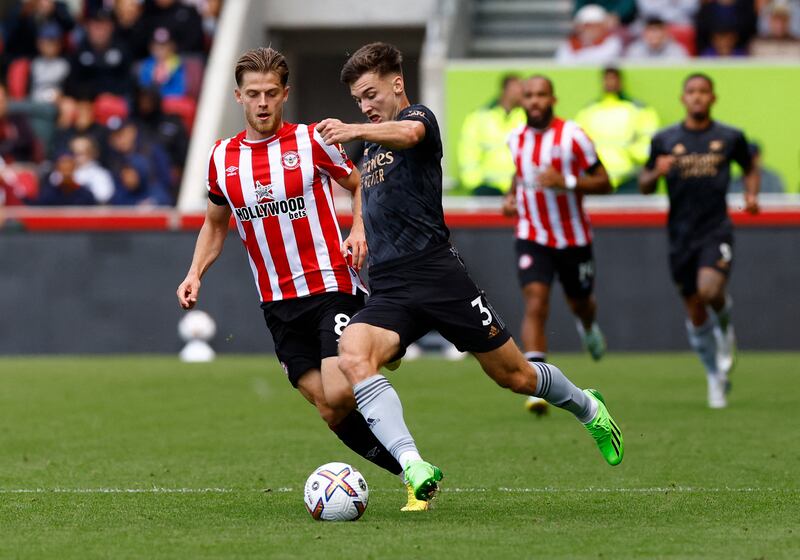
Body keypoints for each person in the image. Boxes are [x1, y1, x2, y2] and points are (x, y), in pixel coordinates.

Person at [316, 42, 625, 502]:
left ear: (396, 84)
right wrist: (359, 226)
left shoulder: (419, 121)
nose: (365, 106)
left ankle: (587, 406)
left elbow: (411, 137)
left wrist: (353, 127)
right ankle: (413, 465)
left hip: (439, 276)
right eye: (358, 100)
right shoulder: (368, 144)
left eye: (371, 94)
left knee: (516, 376)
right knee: (353, 352)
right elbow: (366, 191)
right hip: (391, 287)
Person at [175, 47, 427, 512]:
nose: (263, 102)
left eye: (272, 92)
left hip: (331, 285)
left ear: (285, 94)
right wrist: (195, 273)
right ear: (238, 97)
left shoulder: (312, 141)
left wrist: (357, 228)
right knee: (331, 410)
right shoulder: (220, 158)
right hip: (277, 302)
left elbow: (360, 185)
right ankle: (412, 472)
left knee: (338, 387)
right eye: (254, 94)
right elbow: (215, 223)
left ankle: (382, 343)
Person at [639, 73, 759, 409]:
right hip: (680, 235)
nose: (697, 97)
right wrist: (656, 171)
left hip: (715, 228)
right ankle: (714, 378)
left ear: (713, 98)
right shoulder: (664, 139)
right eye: (691, 91)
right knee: (694, 310)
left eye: (703, 91)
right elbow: (645, 184)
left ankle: (726, 332)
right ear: (683, 98)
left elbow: (750, 167)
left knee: (710, 291)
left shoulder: (729, 136)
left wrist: (750, 195)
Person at [502, 75, 613, 415]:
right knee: (536, 302)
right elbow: (519, 175)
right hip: (532, 234)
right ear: (522, 101)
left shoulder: (573, 137)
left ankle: (589, 326)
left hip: (573, 238)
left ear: (553, 99)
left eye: (541, 95)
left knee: (580, 304)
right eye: (529, 95)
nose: (534, 101)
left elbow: (605, 183)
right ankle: (537, 383)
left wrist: (564, 181)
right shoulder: (515, 138)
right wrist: (510, 198)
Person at [575, 67, 659, 193]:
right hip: (597, 178)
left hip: (629, 177)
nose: (610, 82)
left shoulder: (640, 109)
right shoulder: (588, 111)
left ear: (621, 81)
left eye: (613, 78)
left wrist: (631, 153)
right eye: (607, 79)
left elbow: (649, 143)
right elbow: (578, 142)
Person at [457, 74, 525, 196]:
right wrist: (475, 185)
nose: (521, 92)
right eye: (516, 88)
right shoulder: (479, 117)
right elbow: (468, 153)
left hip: (520, 188)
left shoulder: (526, 117)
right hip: (487, 190)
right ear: (505, 90)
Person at [555, 4, 623, 65]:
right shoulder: (569, 44)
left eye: (594, 25)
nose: (590, 30)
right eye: (587, 26)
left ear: (602, 26)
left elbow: (600, 61)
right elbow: (562, 63)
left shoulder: (612, 42)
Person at [625, 16, 689, 59]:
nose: (654, 34)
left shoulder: (676, 50)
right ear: (644, 33)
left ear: (665, 33)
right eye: (651, 30)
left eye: (657, 30)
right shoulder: (635, 49)